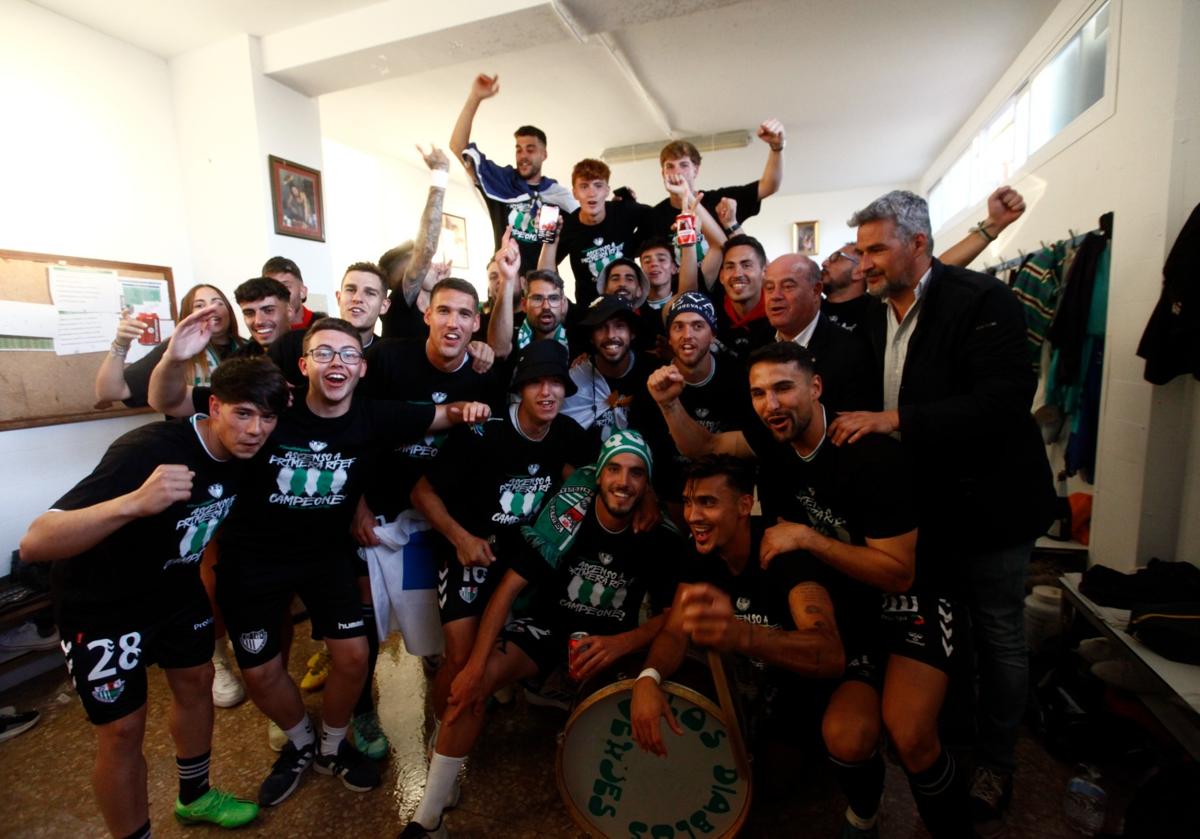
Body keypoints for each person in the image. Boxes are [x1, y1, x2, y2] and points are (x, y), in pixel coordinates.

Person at [148, 314, 490, 808]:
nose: (338, 362)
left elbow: (443, 414)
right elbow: (168, 400)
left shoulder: (374, 415)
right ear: (305, 365)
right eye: (325, 353)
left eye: (349, 354)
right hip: (253, 559)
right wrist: (174, 358)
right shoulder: (274, 408)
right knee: (262, 672)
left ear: (362, 368)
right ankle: (301, 744)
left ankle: (332, 746)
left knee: (352, 656)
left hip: (325, 556)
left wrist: (473, 406)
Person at [829, 190, 1056, 836]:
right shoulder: (872, 316)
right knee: (949, 635)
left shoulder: (983, 303)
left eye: (876, 249)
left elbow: (1003, 401)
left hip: (993, 508)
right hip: (923, 514)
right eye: (861, 250)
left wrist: (895, 420)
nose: (865, 263)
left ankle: (999, 761)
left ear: (918, 245)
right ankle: (943, 747)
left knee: (999, 634)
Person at [20, 355, 290, 838]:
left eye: (267, 417)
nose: (255, 429)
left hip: (175, 591)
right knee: (123, 730)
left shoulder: (250, 455)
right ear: (214, 406)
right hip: (102, 603)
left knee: (197, 681)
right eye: (243, 413)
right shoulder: (148, 449)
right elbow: (36, 541)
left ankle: (195, 796)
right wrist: (133, 503)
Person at [400, 431, 682, 838]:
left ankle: (558, 694)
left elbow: (675, 617)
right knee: (474, 685)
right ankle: (426, 820)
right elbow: (508, 589)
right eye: (615, 469)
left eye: (637, 473)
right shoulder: (568, 512)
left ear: (647, 483)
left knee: (628, 726)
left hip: (612, 640)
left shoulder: (659, 534)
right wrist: (475, 668)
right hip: (550, 625)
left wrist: (624, 642)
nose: (624, 482)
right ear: (598, 474)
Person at [409, 339, 596, 740]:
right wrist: (461, 538)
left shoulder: (565, 431)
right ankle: (443, 745)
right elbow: (421, 492)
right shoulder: (482, 433)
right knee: (460, 657)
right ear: (520, 388)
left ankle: (530, 683)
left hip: (523, 559)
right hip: (470, 553)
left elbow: (608, 469)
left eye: (556, 383)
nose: (546, 393)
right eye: (535, 383)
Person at [630, 455, 845, 759]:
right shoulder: (698, 549)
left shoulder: (783, 554)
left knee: (775, 777)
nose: (693, 516)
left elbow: (831, 653)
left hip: (801, 704)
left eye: (708, 502)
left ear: (744, 506)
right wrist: (648, 678)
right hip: (744, 702)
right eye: (689, 502)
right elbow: (675, 632)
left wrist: (741, 635)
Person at [821, 185, 1028, 336]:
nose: (824, 263)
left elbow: (932, 268)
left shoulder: (880, 304)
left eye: (836, 258)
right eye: (862, 252)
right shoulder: (817, 308)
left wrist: (991, 226)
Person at [449, 73, 578, 270]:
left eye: (530, 149)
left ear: (544, 154)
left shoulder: (558, 196)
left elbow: (586, 225)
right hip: (505, 281)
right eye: (519, 149)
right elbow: (458, 146)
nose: (523, 155)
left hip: (541, 287)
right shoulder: (501, 183)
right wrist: (475, 97)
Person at [654, 292, 750, 506]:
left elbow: (743, 460)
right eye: (678, 326)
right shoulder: (653, 384)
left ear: (713, 335)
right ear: (669, 337)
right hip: (669, 499)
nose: (687, 335)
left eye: (698, 326)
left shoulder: (738, 380)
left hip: (726, 498)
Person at [646, 124, 785, 270]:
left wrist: (777, 148)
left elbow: (769, 186)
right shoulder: (654, 216)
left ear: (696, 170)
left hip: (725, 286)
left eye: (684, 165)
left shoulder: (719, 199)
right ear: (663, 173)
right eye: (670, 166)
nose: (677, 172)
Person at [95, 284, 244, 409]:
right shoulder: (175, 349)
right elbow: (111, 393)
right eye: (199, 305)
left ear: (229, 311)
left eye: (217, 302)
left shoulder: (250, 349)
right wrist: (121, 344)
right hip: (191, 439)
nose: (210, 308)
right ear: (188, 315)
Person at [762, 253, 877, 412]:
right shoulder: (758, 345)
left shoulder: (852, 352)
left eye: (788, 286)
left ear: (816, 290)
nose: (775, 296)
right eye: (769, 288)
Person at [537, 158, 654, 308]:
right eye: (584, 186)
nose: (591, 193)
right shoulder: (568, 226)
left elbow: (655, 220)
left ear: (607, 190)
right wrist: (549, 241)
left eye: (598, 186)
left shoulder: (624, 210)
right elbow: (545, 274)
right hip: (589, 310)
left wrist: (634, 246)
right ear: (575, 193)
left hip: (628, 305)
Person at [269, 261, 393, 389]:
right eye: (350, 290)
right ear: (339, 298)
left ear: (384, 306)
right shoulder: (289, 346)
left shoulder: (390, 358)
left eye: (370, 293)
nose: (357, 298)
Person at [561, 295, 661, 446]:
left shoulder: (653, 373)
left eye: (619, 326)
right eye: (601, 327)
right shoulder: (576, 379)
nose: (611, 335)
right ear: (591, 337)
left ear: (632, 333)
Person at [378, 145, 453, 341]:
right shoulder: (396, 303)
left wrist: (442, 286)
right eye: (423, 263)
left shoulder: (435, 306)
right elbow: (426, 249)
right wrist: (440, 174)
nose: (432, 264)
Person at [487, 228, 571, 361]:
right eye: (537, 298)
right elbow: (498, 350)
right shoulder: (514, 335)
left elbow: (547, 278)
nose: (546, 306)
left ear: (564, 303)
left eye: (553, 298)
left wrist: (550, 239)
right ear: (525, 304)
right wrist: (507, 279)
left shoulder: (578, 334)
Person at [712, 234, 775, 359]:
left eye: (746, 265)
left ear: (764, 273)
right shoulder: (710, 315)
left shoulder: (779, 315)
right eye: (730, 267)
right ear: (721, 277)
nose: (737, 274)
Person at [262, 257, 324, 331]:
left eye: (285, 287)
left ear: (302, 292)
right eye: (270, 289)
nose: (277, 295)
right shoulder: (262, 335)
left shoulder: (327, 329)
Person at [233, 277, 293, 351]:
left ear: (289, 312)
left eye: (268, 310)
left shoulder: (308, 352)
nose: (259, 321)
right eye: (249, 313)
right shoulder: (237, 360)